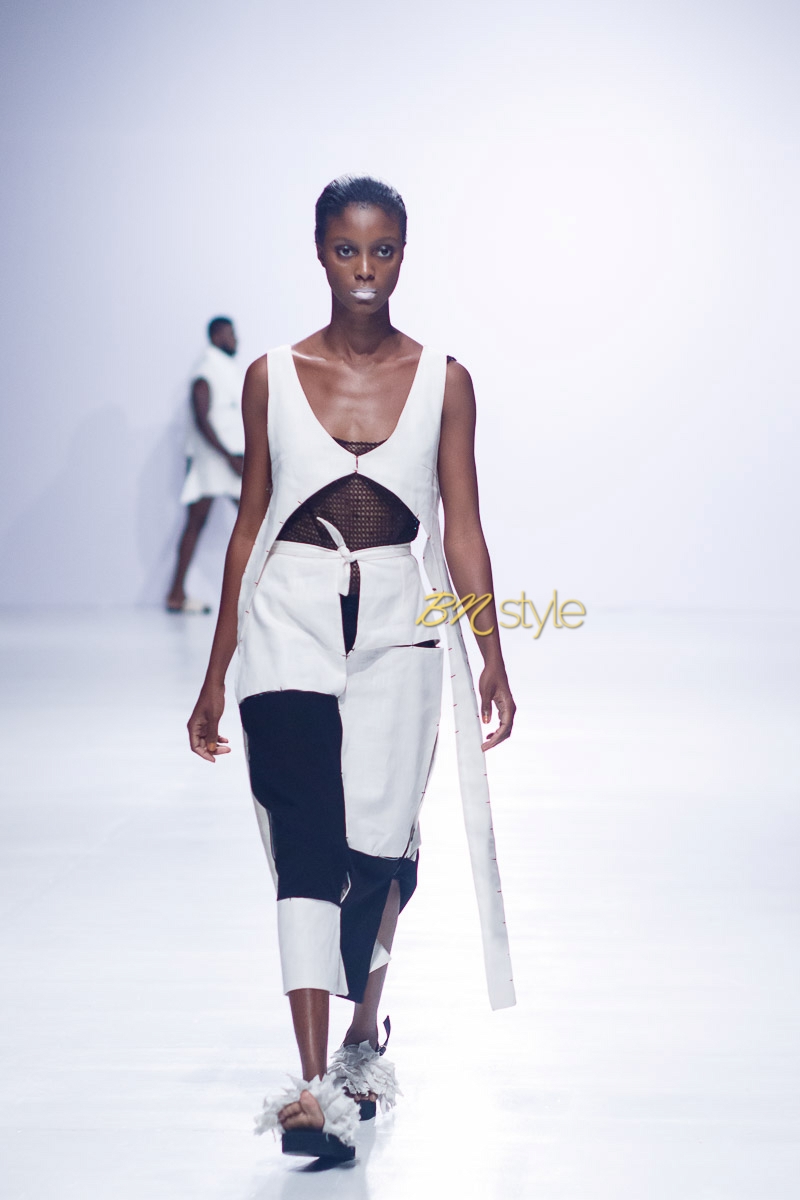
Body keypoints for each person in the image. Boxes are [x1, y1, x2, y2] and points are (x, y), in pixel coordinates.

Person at [186, 176, 517, 1162]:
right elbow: (247, 527)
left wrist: (492, 653)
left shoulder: (445, 380)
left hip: (399, 629)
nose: (364, 270)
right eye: (346, 249)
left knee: (378, 852)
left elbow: (462, 526)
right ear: (319, 251)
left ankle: (362, 1036)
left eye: (382, 250)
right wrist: (215, 674)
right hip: (286, 621)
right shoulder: (270, 376)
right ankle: (310, 1091)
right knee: (304, 843)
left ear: (403, 253)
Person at [166, 316, 245, 613]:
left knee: (251, 520)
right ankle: (175, 594)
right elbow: (201, 418)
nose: (236, 339)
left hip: (226, 458)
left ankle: (176, 593)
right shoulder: (205, 371)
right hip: (215, 460)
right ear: (216, 336)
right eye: (230, 334)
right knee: (201, 523)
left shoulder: (224, 369)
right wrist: (228, 456)